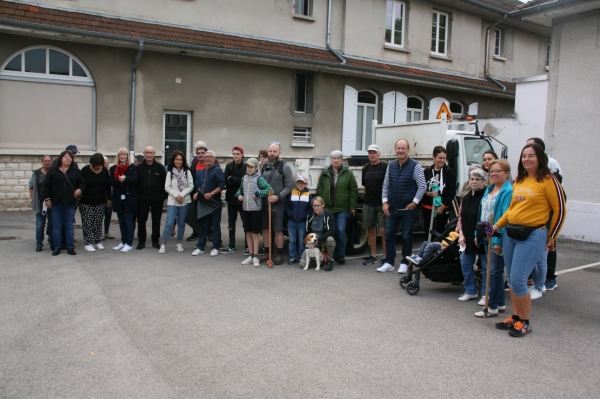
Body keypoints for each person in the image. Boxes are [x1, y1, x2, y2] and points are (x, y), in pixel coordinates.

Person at [492, 143, 566, 337]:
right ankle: (515, 317)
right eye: (524, 156)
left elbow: (560, 210)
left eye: (531, 156)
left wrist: (551, 236)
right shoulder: (520, 180)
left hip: (533, 235)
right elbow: (512, 209)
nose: (526, 159)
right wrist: (498, 225)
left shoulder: (548, 180)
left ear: (540, 158)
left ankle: (525, 322)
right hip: (511, 233)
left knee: (518, 280)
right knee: (512, 279)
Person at [377, 139, 426, 274]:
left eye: (403, 148)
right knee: (389, 235)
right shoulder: (391, 165)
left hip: (407, 209)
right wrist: (385, 202)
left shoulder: (415, 166)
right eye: (398, 148)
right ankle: (389, 262)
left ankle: (405, 262)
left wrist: (415, 202)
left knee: (406, 237)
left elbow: (422, 186)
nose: (400, 151)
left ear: (408, 150)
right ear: (395, 150)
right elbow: (385, 185)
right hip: (392, 208)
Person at [473, 159, 512, 317]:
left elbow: (505, 216)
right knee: (493, 271)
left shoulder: (508, 191)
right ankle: (500, 304)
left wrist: (498, 241)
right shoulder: (490, 188)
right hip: (486, 235)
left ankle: (492, 306)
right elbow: (481, 213)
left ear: (507, 173)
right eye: (492, 171)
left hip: (498, 236)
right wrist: (478, 234)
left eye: (498, 171)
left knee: (494, 272)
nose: (494, 174)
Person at [526, 137, 563, 293]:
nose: (527, 156)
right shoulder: (525, 178)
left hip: (544, 224)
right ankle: (534, 280)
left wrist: (552, 235)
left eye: (531, 151)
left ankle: (547, 280)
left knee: (545, 255)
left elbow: (559, 208)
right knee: (534, 257)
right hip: (528, 225)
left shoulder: (551, 176)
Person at [316, 150, 358, 264]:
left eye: (338, 158)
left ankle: (340, 254)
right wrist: (322, 202)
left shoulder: (348, 173)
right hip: (328, 208)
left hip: (342, 208)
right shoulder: (325, 172)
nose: (335, 160)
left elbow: (353, 190)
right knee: (330, 232)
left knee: (340, 231)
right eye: (333, 158)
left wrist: (353, 207)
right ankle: (330, 254)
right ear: (331, 159)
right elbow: (319, 188)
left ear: (342, 160)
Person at [42, 150, 85, 256]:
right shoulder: (53, 171)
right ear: (61, 159)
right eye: (65, 157)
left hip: (70, 203)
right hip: (56, 202)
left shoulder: (75, 171)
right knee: (57, 225)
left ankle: (70, 247)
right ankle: (57, 246)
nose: (68, 158)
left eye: (70, 157)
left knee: (69, 225)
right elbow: (46, 186)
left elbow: (82, 182)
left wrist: (80, 189)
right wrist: (47, 199)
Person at [258, 142, 293, 265]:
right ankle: (267, 252)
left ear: (279, 153)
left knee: (278, 230)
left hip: (278, 204)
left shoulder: (285, 167)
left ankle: (278, 254)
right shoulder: (263, 167)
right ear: (267, 152)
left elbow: (289, 186)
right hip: (264, 203)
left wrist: (277, 197)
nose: (272, 153)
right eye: (270, 151)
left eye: (275, 151)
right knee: (265, 229)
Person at [456, 166, 487, 301]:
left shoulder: (486, 197)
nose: (474, 182)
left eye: (478, 179)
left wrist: (477, 235)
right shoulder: (466, 197)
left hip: (481, 237)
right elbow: (461, 217)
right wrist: (461, 234)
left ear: (484, 181)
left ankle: (486, 294)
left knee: (486, 267)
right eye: (472, 179)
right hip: (467, 237)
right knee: (466, 264)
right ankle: (470, 290)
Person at [236, 157, 273, 267]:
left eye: (251, 167)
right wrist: (238, 195)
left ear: (256, 167)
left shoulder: (259, 178)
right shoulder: (244, 178)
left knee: (255, 234)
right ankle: (251, 255)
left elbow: (270, 190)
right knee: (247, 233)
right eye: (248, 166)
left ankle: (256, 256)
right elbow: (239, 189)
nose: (249, 168)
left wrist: (259, 193)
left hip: (256, 210)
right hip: (245, 209)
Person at [158, 150, 194, 253]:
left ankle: (179, 243)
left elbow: (191, 186)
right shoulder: (170, 172)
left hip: (184, 201)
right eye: (176, 159)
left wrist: (181, 195)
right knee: (169, 222)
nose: (178, 161)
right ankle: (164, 243)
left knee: (181, 223)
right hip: (173, 201)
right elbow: (167, 187)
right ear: (173, 160)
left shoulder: (187, 172)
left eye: (180, 159)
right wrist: (176, 195)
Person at [192, 150, 225, 256]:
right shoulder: (202, 171)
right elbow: (199, 186)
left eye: (209, 157)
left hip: (214, 203)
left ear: (214, 159)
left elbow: (221, 186)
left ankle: (215, 247)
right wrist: (197, 193)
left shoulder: (217, 170)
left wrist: (211, 193)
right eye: (206, 157)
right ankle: (200, 246)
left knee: (215, 226)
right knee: (203, 226)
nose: (207, 158)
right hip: (203, 202)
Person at [361, 144, 388, 266]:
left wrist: (386, 202)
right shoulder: (366, 167)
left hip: (382, 203)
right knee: (371, 230)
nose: (372, 155)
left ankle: (386, 257)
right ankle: (373, 256)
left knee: (383, 231)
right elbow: (365, 186)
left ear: (379, 154)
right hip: (369, 203)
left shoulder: (384, 167)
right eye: (370, 153)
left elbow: (389, 185)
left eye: (374, 153)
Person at [136, 146, 167, 250]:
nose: (149, 155)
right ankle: (141, 241)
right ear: (144, 154)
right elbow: (135, 183)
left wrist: (163, 196)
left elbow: (165, 183)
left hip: (157, 199)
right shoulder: (138, 168)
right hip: (142, 199)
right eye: (147, 153)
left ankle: (155, 240)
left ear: (154, 154)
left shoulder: (160, 168)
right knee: (141, 220)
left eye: (151, 153)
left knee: (156, 220)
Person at [422, 146, 456, 236]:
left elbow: (452, 191)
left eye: (444, 158)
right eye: (440, 158)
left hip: (442, 209)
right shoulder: (427, 171)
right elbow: (421, 188)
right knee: (428, 233)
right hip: (428, 209)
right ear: (434, 157)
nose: (442, 160)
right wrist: (428, 193)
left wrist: (442, 206)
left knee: (441, 233)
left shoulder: (449, 172)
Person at [80, 153, 111, 252]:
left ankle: (97, 241)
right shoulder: (85, 170)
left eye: (99, 165)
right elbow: (80, 184)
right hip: (86, 201)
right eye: (96, 165)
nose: (98, 167)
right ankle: (88, 243)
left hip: (100, 200)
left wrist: (109, 198)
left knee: (98, 222)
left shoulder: (105, 171)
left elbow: (107, 186)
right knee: (87, 223)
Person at [109, 148, 138, 252]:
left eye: (124, 155)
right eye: (121, 155)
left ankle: (129, 243)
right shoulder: (113, 168)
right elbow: (110, 181)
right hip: (118, 198)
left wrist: (125, 179)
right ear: (118, 156)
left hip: (129, 198)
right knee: (121, 221)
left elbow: (135, 179)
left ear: (127, 156)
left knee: (129, 221)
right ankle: (123, 241)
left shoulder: (132, 167)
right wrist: (119, 180)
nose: (122, 156)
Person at [222, 145, 247, 254]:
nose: (236, 156)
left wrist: (231, 178)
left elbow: (243, 181)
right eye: (234, 154)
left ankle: (247, 245)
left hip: (242, 199)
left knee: (245, 223)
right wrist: (233, 180)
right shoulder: (229, 166)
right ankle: (231, 245)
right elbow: (225, 180)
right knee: (231, 222)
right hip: (231, 198)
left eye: (238, 154)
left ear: (242, 155)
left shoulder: (246, 167)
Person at [285, 175, 312, 265]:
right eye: (299, 183)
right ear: (296, 183)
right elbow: (287, 206)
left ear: (306, 184)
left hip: (302, 222)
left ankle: (301, 257)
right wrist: (290, 214)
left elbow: (310, 208)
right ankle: (292, 257)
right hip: (292, 221)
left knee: (301, 241)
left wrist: (305, 215)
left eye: (302, 183)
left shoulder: (309, 195)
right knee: (292, 241)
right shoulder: (292, 193)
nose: (300, 185)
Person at [29, 155, 54, 252]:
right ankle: (39, 243)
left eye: (49, 161)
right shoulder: (36, 174)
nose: (47, 162)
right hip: (40, 203)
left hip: (52, 203)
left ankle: (52, 242)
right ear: (42, 162)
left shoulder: (54, 172)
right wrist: (33, 200)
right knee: (40, 225)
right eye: (45, 161)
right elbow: (31, 187)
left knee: (52, 224)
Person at [303, 196, 336, 270]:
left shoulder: (329, 216)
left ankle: (329, 260)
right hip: (312, 242)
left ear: (323, 205)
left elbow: (331, 231)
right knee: (302, 264)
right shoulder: (309, 216)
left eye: (318, 205)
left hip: (323, 241)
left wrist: (317, 240)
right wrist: (309, 242)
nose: (316, 208)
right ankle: (315, 260)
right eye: (314, 206)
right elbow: (307, 232)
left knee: (331, 240)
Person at [186, 141, 208, 241]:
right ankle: (196, 233)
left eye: (202, 153)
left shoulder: (210, 165)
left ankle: (209, 234)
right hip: (194, 195)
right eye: (198, 153)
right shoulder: (193, 167)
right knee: (194, 215)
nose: (200, 155)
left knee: (207, 216)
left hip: (206, 195)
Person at [102, 156, 115, 240]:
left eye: (107, 163)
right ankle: (98, 233)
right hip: (101, 198)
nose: (107, 165)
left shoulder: (110, 172)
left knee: (108, 215)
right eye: (105, 163)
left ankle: (106, 232)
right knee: (99, 217)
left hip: (110, 198)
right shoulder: (100, 173)